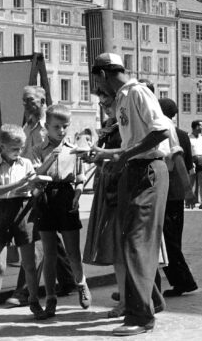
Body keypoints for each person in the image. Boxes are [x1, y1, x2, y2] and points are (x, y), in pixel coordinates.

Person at [90, 53, 171, 337]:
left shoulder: (137, 92)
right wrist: (106, 154)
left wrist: (125, 154)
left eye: (97, 82)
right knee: (128, 240)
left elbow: (161, 132)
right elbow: (132, 143)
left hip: (147, 171)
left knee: (138, 242)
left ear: (102, 75)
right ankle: (152, 300)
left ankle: (140, 317)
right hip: (135, 170)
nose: (100, 90)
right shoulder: (123, 97)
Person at [10, 86, 75, 307]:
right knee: (50, 240)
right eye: (23, 101)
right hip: (30, 188)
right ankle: (68, 280)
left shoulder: (45, 130)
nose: (26, 105)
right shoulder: (27, 127)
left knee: (35, 240)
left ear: (42, 101)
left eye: (30, 101)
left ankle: (25, 290)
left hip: (43, 189)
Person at [31, 104, 90, 317]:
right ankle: (50, 297)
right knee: (49, 254)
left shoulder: (73, 149)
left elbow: (80, 177)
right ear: (47, 126)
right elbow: (36, 172)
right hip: (46, 197)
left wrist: (78, 193)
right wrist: (52, 156)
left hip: (66, 196)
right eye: (57, 126)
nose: (62, 130)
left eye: (65, 126)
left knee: (73, 251)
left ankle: (81, 283)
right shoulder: (39, 149)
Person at [0, 124, 43, 328]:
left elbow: (33, 189)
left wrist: (36, 188)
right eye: (14, 149)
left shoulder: (25, 163)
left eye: (21, 148)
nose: (19, 153)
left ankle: (34, 302)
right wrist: (20, 185)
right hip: (2, 212)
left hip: (23, 210)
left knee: (29, 264)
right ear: (2, 145)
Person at [83, 89, 127, 318]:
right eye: (101, 102)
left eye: (107, 101)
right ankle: (126, 295)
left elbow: (127, 154)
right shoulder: (112, 124)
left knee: (121, 248)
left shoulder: (124, 125)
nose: (103, 106)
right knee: (118, 249)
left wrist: (102, 155)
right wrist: (96, 158)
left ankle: (129, 300)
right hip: (109, 188)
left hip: (120, 191)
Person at [158, 98, 199, 298]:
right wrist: (188, 190)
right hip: (178, 192)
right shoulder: (183, 135)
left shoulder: (162, 130)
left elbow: (180, 161)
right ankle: (180, 279)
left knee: (168, 238)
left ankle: (183, 280)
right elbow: (190, 167)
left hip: (167, 189)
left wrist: (188, 190)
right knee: (174, 237)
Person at [189, 120, 202, 209]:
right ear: (196, 127)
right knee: (192, 182)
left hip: (201, 160)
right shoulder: (188, 138)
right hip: (192, 160)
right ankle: (191, 201)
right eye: (201, 126)